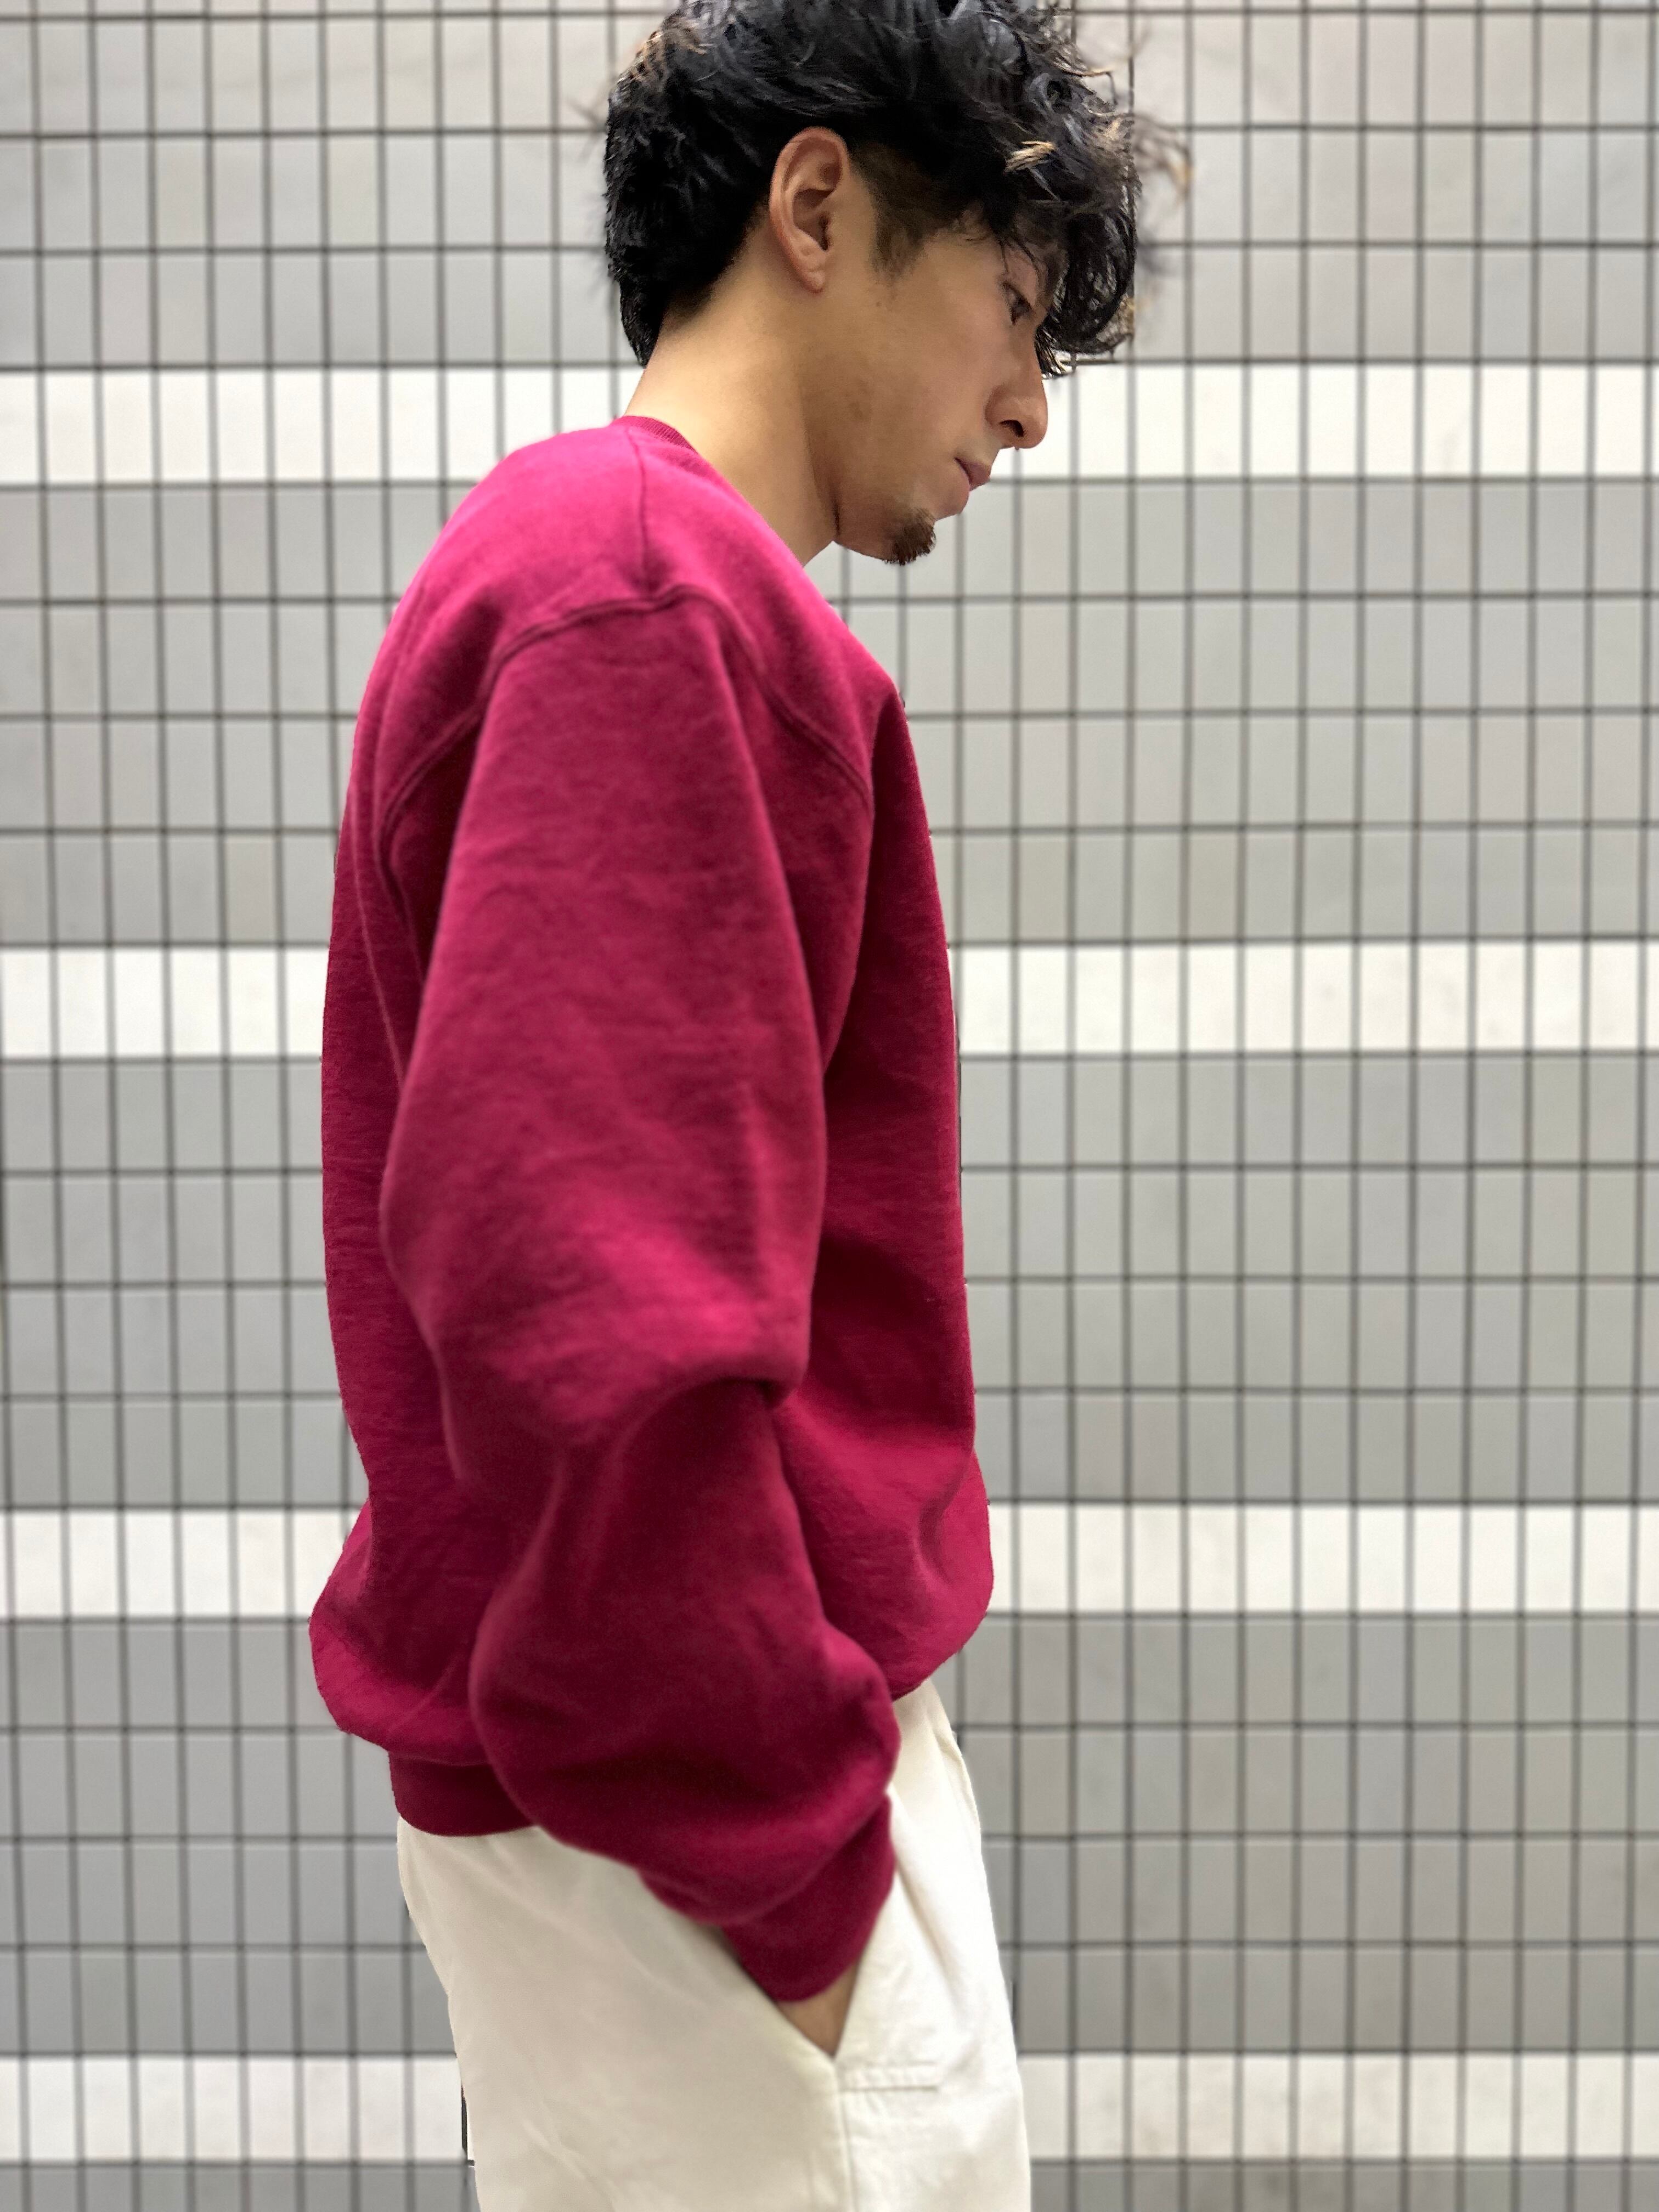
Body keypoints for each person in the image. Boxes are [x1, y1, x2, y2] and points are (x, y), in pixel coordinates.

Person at [310, 2, 1139, 2203]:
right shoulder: (642, 593)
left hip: (659, 1827)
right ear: (819, 206)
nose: (1029, 405)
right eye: (1015, 306)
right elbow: (590, 1322)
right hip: (704, 1859)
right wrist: (800, 1878)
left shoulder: (606, 572)